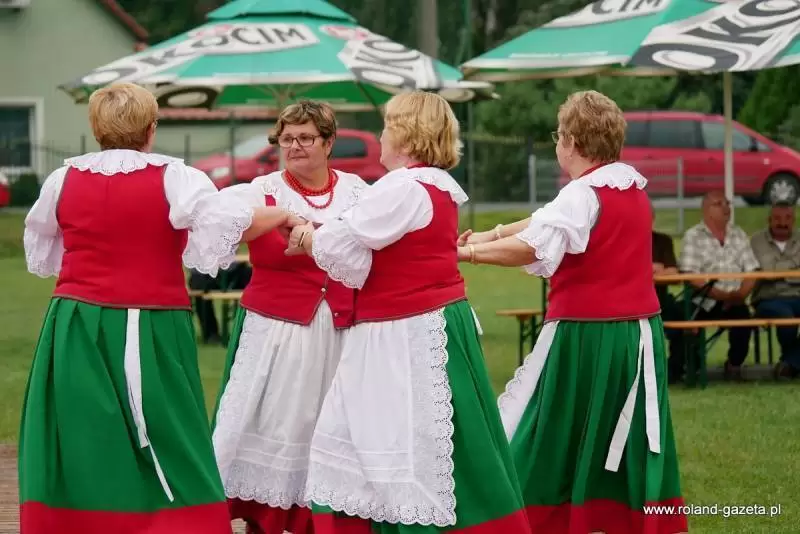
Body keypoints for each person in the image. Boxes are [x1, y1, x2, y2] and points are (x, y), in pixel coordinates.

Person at [19, 82, 301, 534]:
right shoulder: (176, 177)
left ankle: (78, 521)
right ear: (151, 128)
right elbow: (227, 225)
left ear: (96, 128)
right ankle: (179, 521)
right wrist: (281, 215)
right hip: (150, 320)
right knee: (168, 427)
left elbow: (43, 244)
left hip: (74, 320)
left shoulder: (62, 179)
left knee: (81, 425)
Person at [285, 91, 531, 533]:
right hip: (421, 320)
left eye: (387, 126)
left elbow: (344, 243)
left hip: (404, 330)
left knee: (394, 440)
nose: (381, 136)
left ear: (404, 132)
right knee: (413, 439)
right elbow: (365, 245)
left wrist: (308, 236)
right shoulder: (433, 184)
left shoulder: (403, 187)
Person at [457, 90, 687, 533]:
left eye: (559, 135)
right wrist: (488, 235)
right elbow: (546, 219)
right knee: (614, 437)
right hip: (635, 336)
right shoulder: (629, 185)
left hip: (588, 335)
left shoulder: (582, 194)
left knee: (546, 428)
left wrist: (466, 255)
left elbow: (535, 243)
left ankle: (519, 517)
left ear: (572, 142)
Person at [211, 100, 367, 534]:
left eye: (305, 138)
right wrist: (278, 215)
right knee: (276, 420)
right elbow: (221, 224)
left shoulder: (357, 191)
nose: (295, 146)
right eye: (287, 139)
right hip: (277, 327)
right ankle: (264, 514)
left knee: (329, 422)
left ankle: (322, 515)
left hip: (341, 327)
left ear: (328, 142)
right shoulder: (261, 191)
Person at [678, 190, 759, 380]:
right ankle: (691, 367)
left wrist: (740, 295)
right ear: (706, 210)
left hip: (736, 300)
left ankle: (734, 365)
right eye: (719, 204)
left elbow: (752, 271)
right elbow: (690, 276)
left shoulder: (738, 234)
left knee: (743, 320)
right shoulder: (693, 236)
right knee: (686, 322)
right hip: (703, 300)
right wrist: (722, 295)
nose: (726, 208)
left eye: (727, 203)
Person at [750, 202, 800, 379]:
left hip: (797, 296)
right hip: (768, 298)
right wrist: (794, 267)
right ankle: (791, 363)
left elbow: (772, 271)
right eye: (777, 218)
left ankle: (790, 363)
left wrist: (777, 272)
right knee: (785, 316)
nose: (782, 223)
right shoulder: (757, 240)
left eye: (787, 218)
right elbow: (767, 271)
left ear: (794, 220)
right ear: (769, 220)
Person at [651, 206, 686, 384]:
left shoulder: (662, 241)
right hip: (629, 305)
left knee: (686, 320)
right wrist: (652, 269)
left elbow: (674, 274)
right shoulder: (622, 241)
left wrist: (644, 272)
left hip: (660, 302)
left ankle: (675, 372)